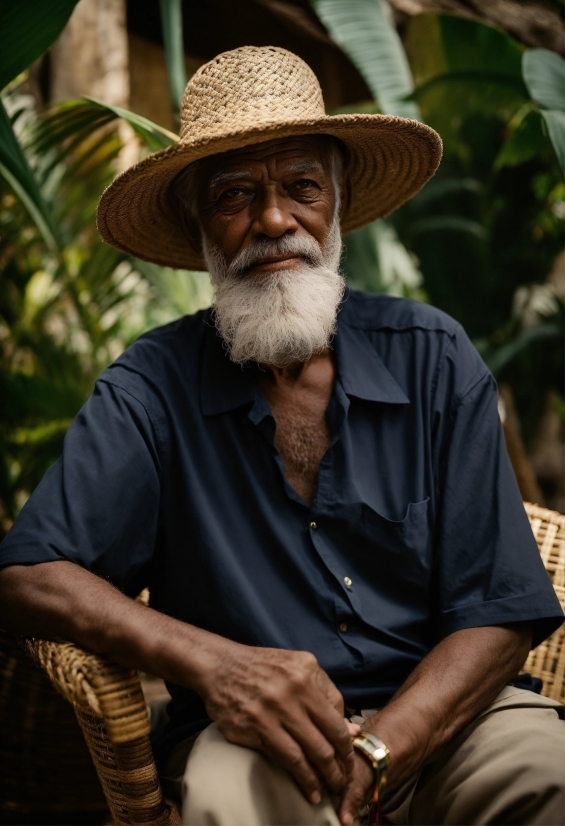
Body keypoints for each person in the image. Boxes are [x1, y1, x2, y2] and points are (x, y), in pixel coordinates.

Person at [0, 46, 563, 826]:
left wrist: (382, 749)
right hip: (252, 741)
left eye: (301, 187)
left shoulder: (433, 356)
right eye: (235, 194)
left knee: (548, 777)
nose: (273, 221)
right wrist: (218, 665)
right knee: (231, 808)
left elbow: (499, 607)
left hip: (447, 723)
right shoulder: (152, 385)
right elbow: (29, 574)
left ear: (336, 203)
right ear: (200, 222)